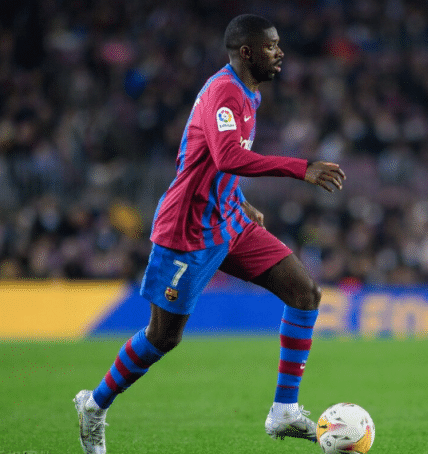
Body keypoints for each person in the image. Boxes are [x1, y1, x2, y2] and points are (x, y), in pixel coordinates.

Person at [73, 14, 346, 453]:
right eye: (271, 46)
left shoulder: (249, 94)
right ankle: (94, 405)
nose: (280, 53)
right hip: (189, 230)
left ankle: (283, 410)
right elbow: (226, 156)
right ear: (247, 52)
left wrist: (237, 199)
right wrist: (301, 168)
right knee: (163, 337)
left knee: (304, 292)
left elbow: (208, 159)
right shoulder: (224, 93)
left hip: (229, 219)